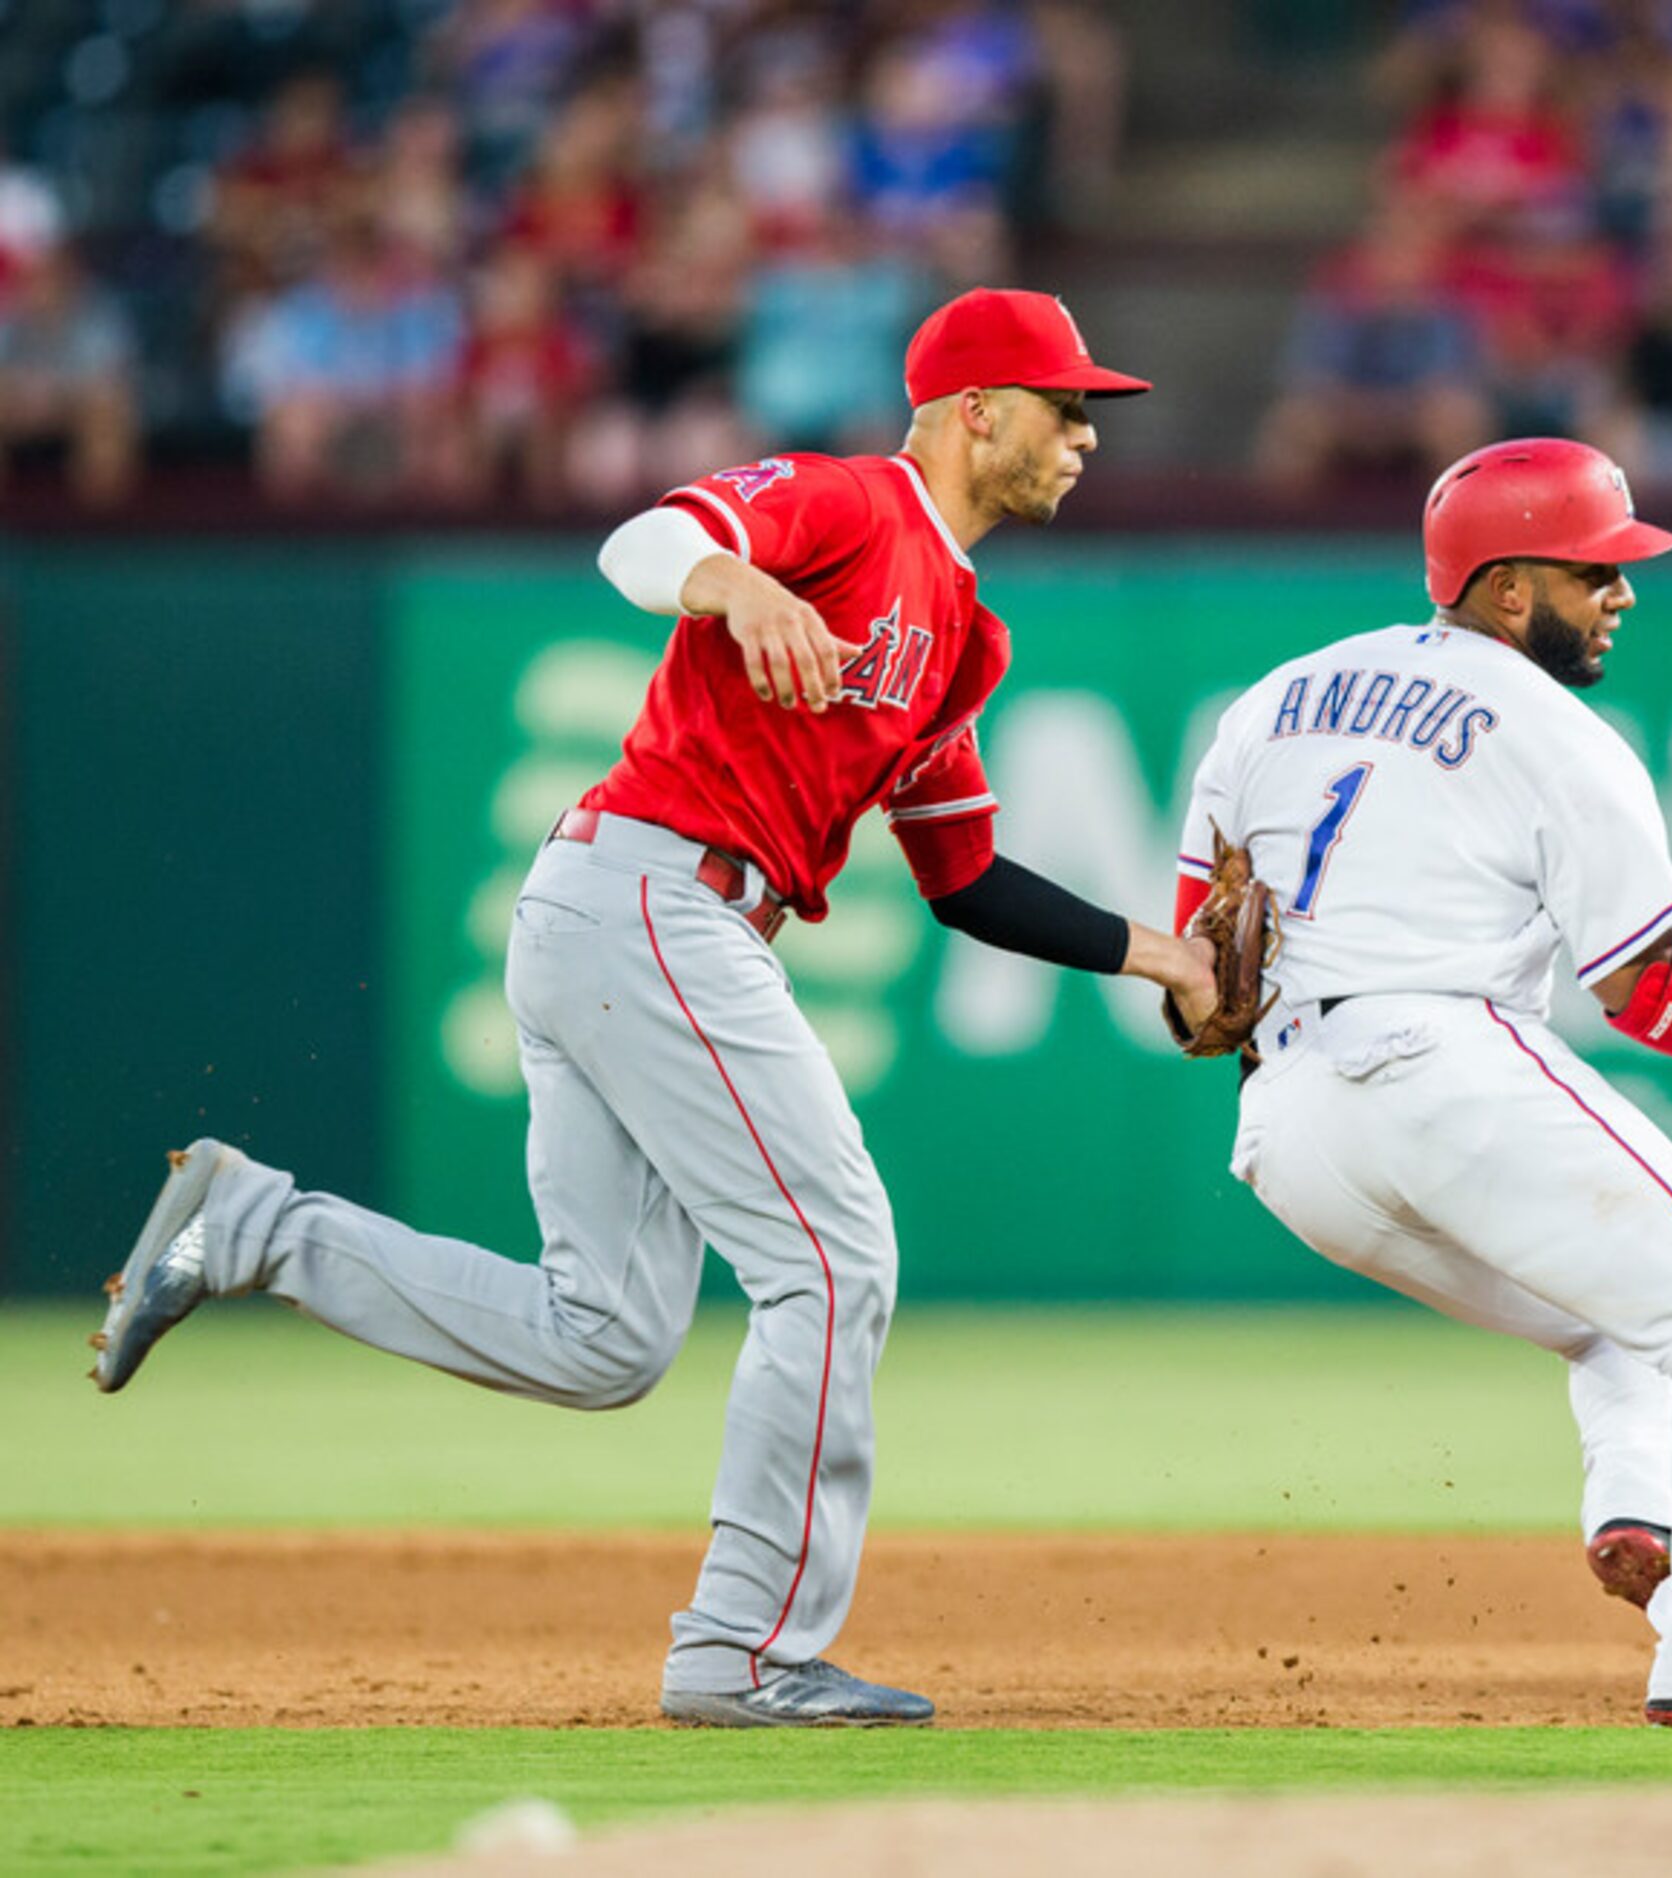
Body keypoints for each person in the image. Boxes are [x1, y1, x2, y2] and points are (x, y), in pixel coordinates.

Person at [90, 289, 1220, 1728]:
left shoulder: (963, 635)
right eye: (1066, 407)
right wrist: (736, 585)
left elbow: (967, 877)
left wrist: (1163, 958)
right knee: (834, 1259)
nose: (1085, 437)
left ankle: (249, 1226)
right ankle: (746, 1651)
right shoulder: (846, 501)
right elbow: (645, 541)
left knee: (604, 1337)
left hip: (638, 920)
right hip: (654, 896)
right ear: (974, 409)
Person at [1175, 438, 1672, 1727]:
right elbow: (1655, 995)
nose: (1623, 594)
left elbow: (1194, 959)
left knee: (1619, 1323)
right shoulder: (1556, 732)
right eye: (1598, 572)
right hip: (1440, 1062)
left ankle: (1647, 1519)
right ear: (1509, 591)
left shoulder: (1273, 699)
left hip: (1285, 1132)